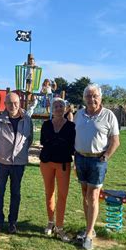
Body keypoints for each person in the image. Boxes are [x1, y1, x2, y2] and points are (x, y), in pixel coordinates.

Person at [74, 84, 120, 250]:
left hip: (97, 161)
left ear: (100, 98)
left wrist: (105, 157)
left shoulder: (109, 116)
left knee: (93, 196)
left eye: (95, 96)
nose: (91, 99)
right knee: (84, 195)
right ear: (84, 98)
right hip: (80, 158)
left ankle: (88, 234)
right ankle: (89, 228)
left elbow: (116, 141)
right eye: (88, 96)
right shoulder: (79, 115)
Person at [0, 92, 33, 235]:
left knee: (15, 193)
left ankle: (12, 223)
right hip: (2, 163)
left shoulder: (27, 120)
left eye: (15, 103)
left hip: (18, 164)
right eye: (9, 103)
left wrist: (20, 155)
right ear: (5, 104)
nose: (13, 106)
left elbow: (29, 140)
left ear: (20, 103)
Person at [39, 97, 76, 242]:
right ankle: (50, 222)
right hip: (47, 162)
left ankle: (59, 227)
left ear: (66, 108)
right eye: (56, 106)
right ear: (51, 109)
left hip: (63, 164)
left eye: (61, 106)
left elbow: (72, 146)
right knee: (49, 193)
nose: (59, 108)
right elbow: (43, 141)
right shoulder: (46, 125)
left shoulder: (71, 126)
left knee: (62, 195)